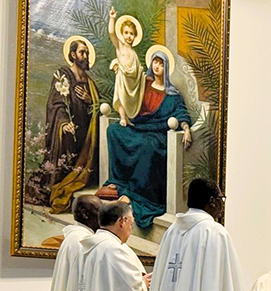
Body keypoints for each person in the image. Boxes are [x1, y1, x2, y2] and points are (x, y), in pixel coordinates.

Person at [105, 47, 192, 229]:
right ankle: (118, 180)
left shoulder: (172, 94)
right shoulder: (143, 84)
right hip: (139, 126)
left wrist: (185, 128)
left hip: (158, 133)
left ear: (166, 67)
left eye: (161, 63)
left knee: (148, 145)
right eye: (155, 62)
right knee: (113, 131)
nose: (157, 65)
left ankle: (134, 193)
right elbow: (128, 89)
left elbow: (181, 112)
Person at [25, 37, 100, 213]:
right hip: (69, 128)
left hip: (85, 133)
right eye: (82, 52)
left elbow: (98, 106)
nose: (86, 55)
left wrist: (90, 101)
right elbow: (56, 103)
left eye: (87, 53)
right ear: (73, 54)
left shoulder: (90, 82)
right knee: (65, 145)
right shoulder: (63, 74)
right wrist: (64, 123)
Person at [108, 8, 145, 126]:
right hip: (122, 77)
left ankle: (128, 118)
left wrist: (140, 72)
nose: (129, 36)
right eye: (126, 33)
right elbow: (111, 33)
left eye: (131, 33)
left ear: (135, 36)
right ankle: (123, 117)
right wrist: (112, 18)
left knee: (129, 99)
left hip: (132, 81)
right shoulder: (120, 46)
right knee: (121, 96)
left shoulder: (134, 53)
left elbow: (137, 68)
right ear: (122, 34)